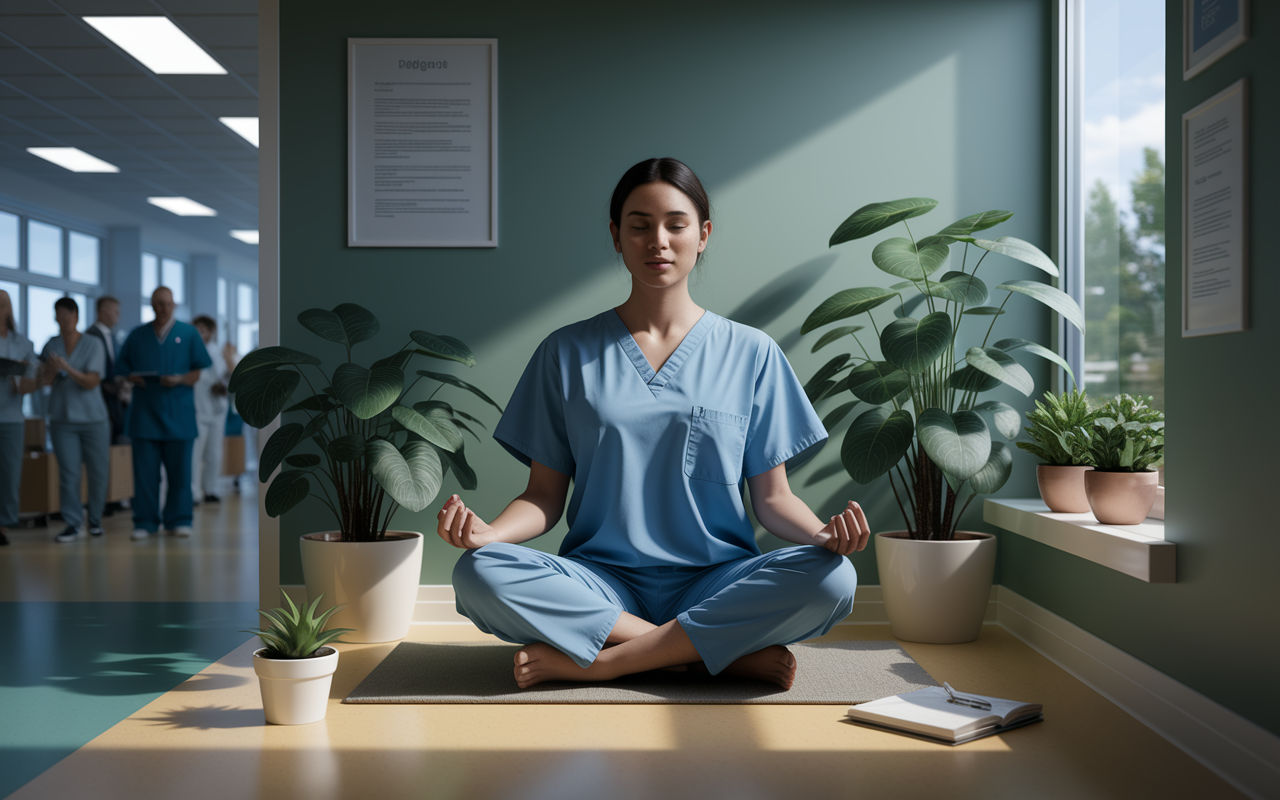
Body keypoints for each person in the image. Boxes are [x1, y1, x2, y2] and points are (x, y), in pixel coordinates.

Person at [439, 158, 870, 690]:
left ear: (704, 235)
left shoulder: (752, 352)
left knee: (833, 578)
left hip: (717, 579)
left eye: (676, 224)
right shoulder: (565, 352)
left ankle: (611, 661)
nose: (657, 241)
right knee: (480, 573)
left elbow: (774, 500)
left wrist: (822, 534)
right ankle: (710, 654)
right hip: (600, 582)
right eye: (639, 226)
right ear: (617, 237)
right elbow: (544, 497)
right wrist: (489, 533)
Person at [115, 287, 212, 540]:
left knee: (180, 473)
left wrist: (180, 379)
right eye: (158, 304)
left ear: (174, 305)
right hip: (144, 415)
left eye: (167, 304)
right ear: (151, 305)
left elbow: (197, 371)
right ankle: (145, 522)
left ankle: (179, 519)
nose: (163, 308)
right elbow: (122, 366)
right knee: (145, 475)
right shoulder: (138, 335)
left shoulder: (188, 333)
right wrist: (131, 376)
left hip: (178, 414)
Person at [39, 297, 110, 544]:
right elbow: (45, 380)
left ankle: (95, 521)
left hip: (94, 420)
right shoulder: (51, 344)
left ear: (76, 316)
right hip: (62, 419)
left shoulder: (93, 344)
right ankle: (72, 523)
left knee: (98, 472)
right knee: (69, 473)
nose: (61, 321)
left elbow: (92, 381)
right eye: (57, 316)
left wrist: (66, 368)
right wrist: (51, 367)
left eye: (65, 316)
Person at [0, 290, 38, 547]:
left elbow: (34, 378)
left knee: (9, 474)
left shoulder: (23, 343)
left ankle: (3, 524)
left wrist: (22, 381)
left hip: (11, 418)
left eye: (3, 303)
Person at [190, 315, 229, 504]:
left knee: (214, 453)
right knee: (195, 454)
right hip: (197, 409)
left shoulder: (218, 353)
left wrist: (223, 386)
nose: (200, 333)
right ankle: (194, 493)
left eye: (203, 329)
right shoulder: (189, 351)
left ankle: (211, 489)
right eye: (197, 329)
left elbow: (226, 377)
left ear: (212, 332)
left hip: (217, 410)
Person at [84, 295, 127, 444]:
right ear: (102, 312)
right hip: (99, 398)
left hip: (113, 399)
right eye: (115, 311)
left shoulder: (112, 336)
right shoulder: (90, 335)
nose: (118, 315)